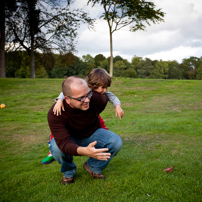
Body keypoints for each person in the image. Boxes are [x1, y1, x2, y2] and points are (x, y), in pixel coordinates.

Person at [48, 76, 122, 184]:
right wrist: (84, 151)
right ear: (67, 99)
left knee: (115, 142)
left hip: (92, 133)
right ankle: (69, 173)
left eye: (88, 94)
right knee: (57, 148)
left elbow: (108, 95)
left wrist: (117, 105)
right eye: (81, 98)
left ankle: (92, 167)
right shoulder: (55, 113)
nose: (87, 100)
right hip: (69, 138)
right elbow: (63, 143)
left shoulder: (98, 99)